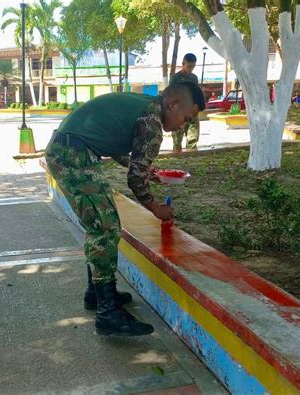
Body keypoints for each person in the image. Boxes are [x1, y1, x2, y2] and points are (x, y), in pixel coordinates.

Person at [45, 82, 205, 337]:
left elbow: (116, 143)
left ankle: (96, 295)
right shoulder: (152, 121)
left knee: (100, 225)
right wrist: (155, 208)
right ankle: (108, 314)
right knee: (105, 228)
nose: (184, 125)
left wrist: (143, 168)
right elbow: (134, 179)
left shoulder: (144, 104)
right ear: (173, 104)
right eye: (186, 118)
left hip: (68, 149)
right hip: (72, 154)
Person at [168, 53, 200, 151]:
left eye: (193, 66)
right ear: (183, 63)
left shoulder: (194, 78)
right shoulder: (175, 78)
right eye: (189, 66)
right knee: (177, 141)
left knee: (193, 139)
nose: (191, 69)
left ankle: (191, 159)